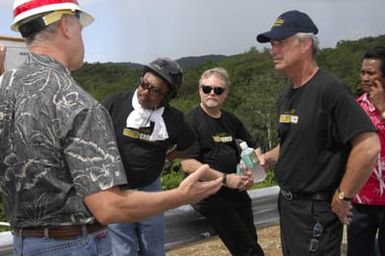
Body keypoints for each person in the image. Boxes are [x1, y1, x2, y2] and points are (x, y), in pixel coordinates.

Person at [0, 1, 222, 255]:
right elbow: (109, 207)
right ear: (66, 26)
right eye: (81, 30)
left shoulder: (4, 86)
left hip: (23, 243)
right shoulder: (78, 104)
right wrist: (182, 195)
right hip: (74, 245)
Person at [256, 10, 380, 255]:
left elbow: (368, 146)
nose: (273, 49)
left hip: (315, 211)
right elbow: (298, 141)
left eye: (281, 42)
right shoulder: (288, 92)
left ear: (305, 44)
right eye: (272, 44)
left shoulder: (330, 90)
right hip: (290, 207)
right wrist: (267, 159)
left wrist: (344, 196)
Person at [102, 58, 194, 256]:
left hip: (150, 188)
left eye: (155, 91)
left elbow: (189, 144)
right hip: (118, 188)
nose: (145, 92)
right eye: (144, 84)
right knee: (122, 250)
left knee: (153, 248)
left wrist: (167, 158)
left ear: (168, 95)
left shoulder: (174, 118)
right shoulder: (114, 103)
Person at [180, 67, 265, 256]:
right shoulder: (190, 121)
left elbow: (254, 146)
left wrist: (253, 171)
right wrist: (226, 179)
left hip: (237, 192)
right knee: (250, 251)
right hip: (209, 195)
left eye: (218, 90)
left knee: (251, 243)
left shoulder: (231, 120)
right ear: (199, 90)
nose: (212, 93)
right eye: (206, 88)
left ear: (225, 94)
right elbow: (188, 164)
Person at [348, 47, 385, 256]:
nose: (364, 78)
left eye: (371, 73)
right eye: (362, 72)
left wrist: (382, 109)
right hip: (361, 201)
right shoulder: (354, 107)